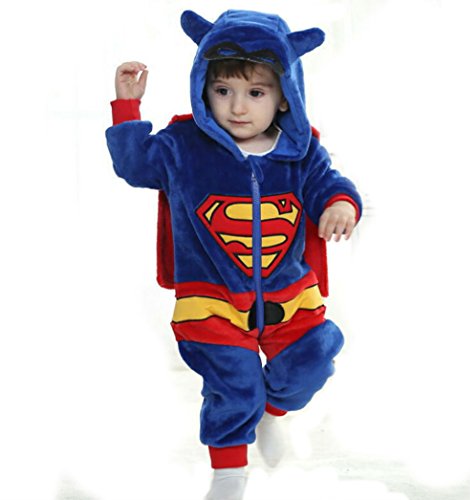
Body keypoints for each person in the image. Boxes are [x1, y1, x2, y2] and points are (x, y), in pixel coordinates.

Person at [106, 9, 362, 500]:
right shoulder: (183, 146)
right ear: (203, 85)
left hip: (290, 295)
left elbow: (330, 184)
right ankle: (228, 476)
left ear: (285, 95)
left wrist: (340, 205)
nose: (237, 107)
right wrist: (127, 106)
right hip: (211, 301)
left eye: (256, 93)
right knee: (235, 383)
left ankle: (272, 412)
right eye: (222, 90)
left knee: (312, 362)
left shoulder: (300, 151)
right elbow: (135, 165)